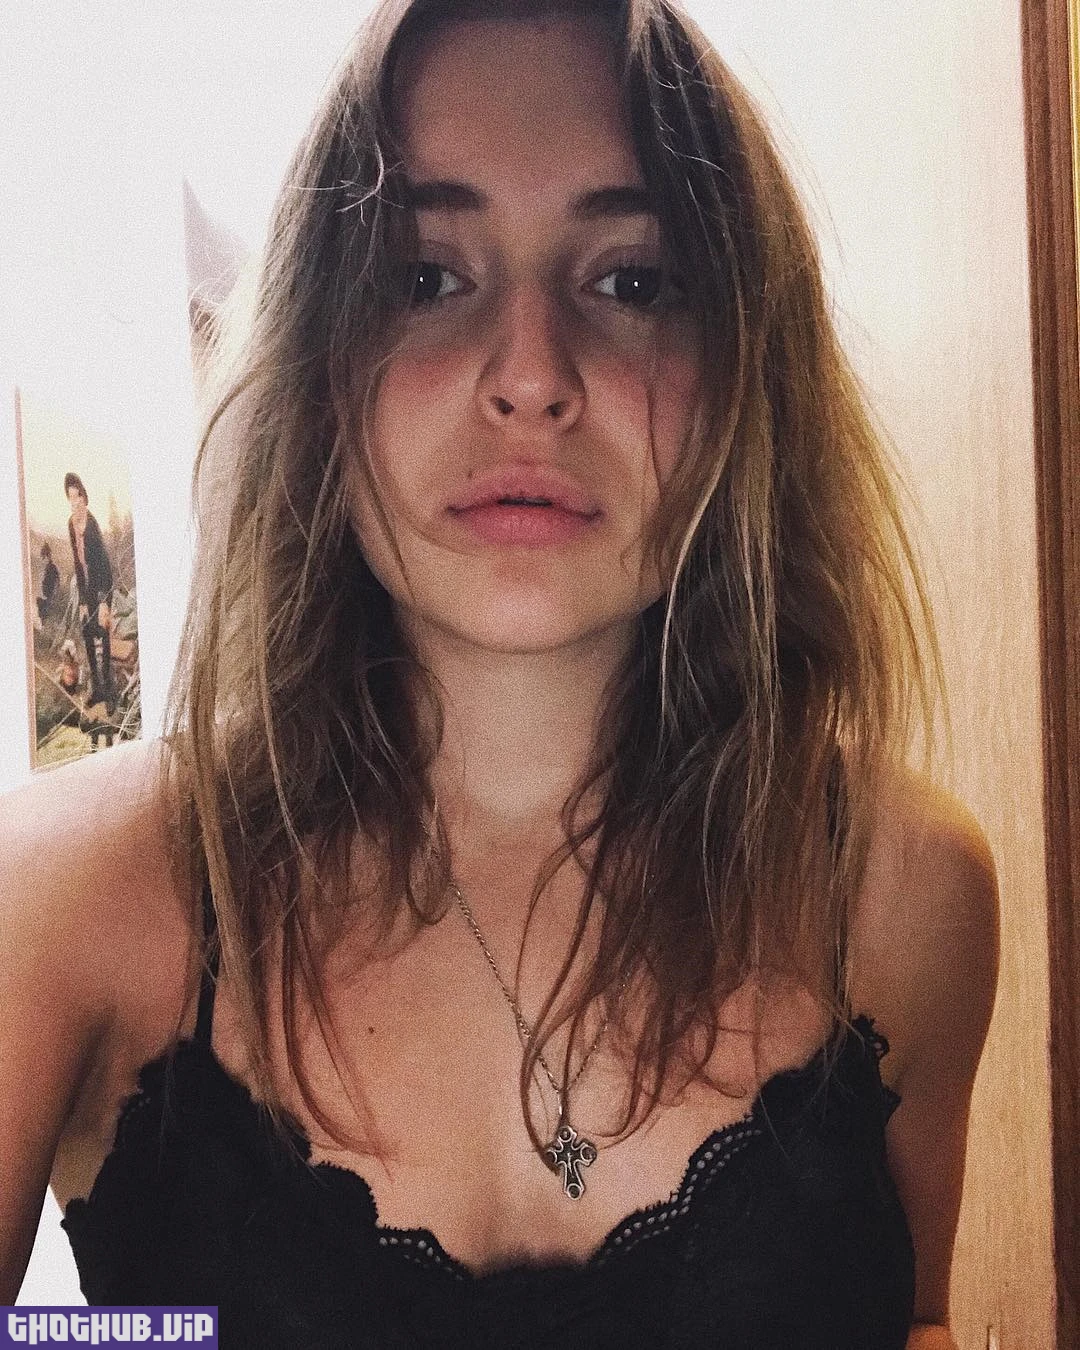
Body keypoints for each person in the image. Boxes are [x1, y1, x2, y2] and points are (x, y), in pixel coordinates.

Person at [0, 2, 999, 1347]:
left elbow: (916, 1319)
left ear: (744, 368)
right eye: (424, 278)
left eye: (632, 280)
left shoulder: (904, 889)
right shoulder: (65, 899)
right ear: (320, 367)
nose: (531, 377)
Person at [63, 472, 114, 709]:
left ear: (84, 498)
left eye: (78, 496)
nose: (74, 502)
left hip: (103, 586)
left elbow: (103, 566)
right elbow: (77, 563)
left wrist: (103, 602)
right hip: (87, 589)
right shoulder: (71, 524)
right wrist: (83, 601)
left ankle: (110, 693)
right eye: (70, 497)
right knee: (87, 633)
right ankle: (98, 690)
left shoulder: (92, 525)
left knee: (103, 635)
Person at [35, 543, 61, 625]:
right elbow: (41, 580)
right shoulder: (42, 567)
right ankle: (42, 623)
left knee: (46, 614)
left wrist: (53, 595)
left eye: (45, 556)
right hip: (42, 595)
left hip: (49, 596)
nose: (43, 558)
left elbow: (57, 582)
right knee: (41, 614)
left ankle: (44, 624)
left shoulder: (52, 567)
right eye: (42, 556)